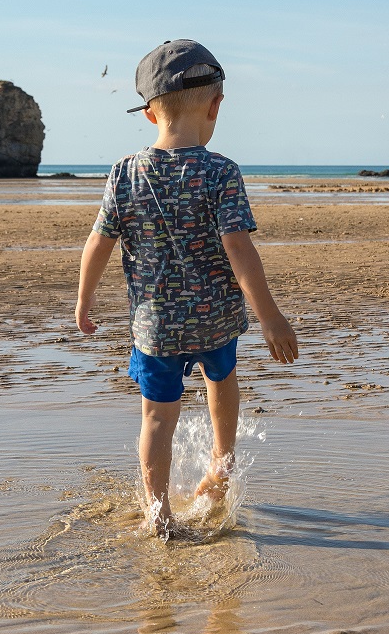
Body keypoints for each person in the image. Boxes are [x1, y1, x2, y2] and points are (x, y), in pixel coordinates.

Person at [74, 40, 299, 538]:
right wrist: (270, 317)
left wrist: (84, 298)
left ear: (150, 112)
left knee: (156, 419)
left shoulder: (124, 172)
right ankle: (220, 467)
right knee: (222, 381)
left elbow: (98, 242)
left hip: (155, 330)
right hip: (216, 318)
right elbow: (239, 249)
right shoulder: (221, 172)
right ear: (216, 105)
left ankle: (159, 515)